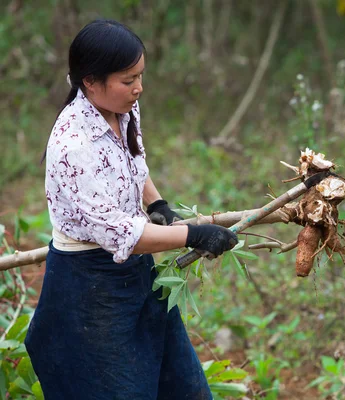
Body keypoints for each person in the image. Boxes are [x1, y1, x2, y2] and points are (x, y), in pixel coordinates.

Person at [24, 19, 238, 400]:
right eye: (128, 80)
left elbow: (134, 165)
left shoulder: (123, 110)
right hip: (89, 286)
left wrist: (157, 204)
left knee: (183, 385)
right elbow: (123, 235)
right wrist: (193, 234)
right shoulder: (73, 144)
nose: (138, 88)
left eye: (140, 76)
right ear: (90, 81)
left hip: (137, 275)